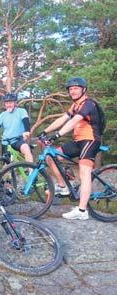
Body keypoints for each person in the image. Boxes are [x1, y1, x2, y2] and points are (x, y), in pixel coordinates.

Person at [40, 77, 103, 220]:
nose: (73, 91)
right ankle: (63, 187)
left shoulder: (89, 104)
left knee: (84, 172)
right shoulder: (75, 106)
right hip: (78, 141)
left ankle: (82, 211)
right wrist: (45, 131)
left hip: (90, 140)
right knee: (51, 156)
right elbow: (63, 119)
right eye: (71, 89)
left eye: (76, 88)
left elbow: (74, 121)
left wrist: (56, 135)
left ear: (83, 89)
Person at [0, 92, 33, 162]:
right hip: (6, 142)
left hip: (17, 140)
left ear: (15, 103)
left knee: (26, 149)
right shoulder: (3, 115)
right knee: (6, 167)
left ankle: (31, 172)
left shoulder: (21, 111)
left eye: (11, 103)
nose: (9, 105)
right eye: (7, 103)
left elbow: (25, 121)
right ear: (5, 104)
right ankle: (8, 171)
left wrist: (27, 131)